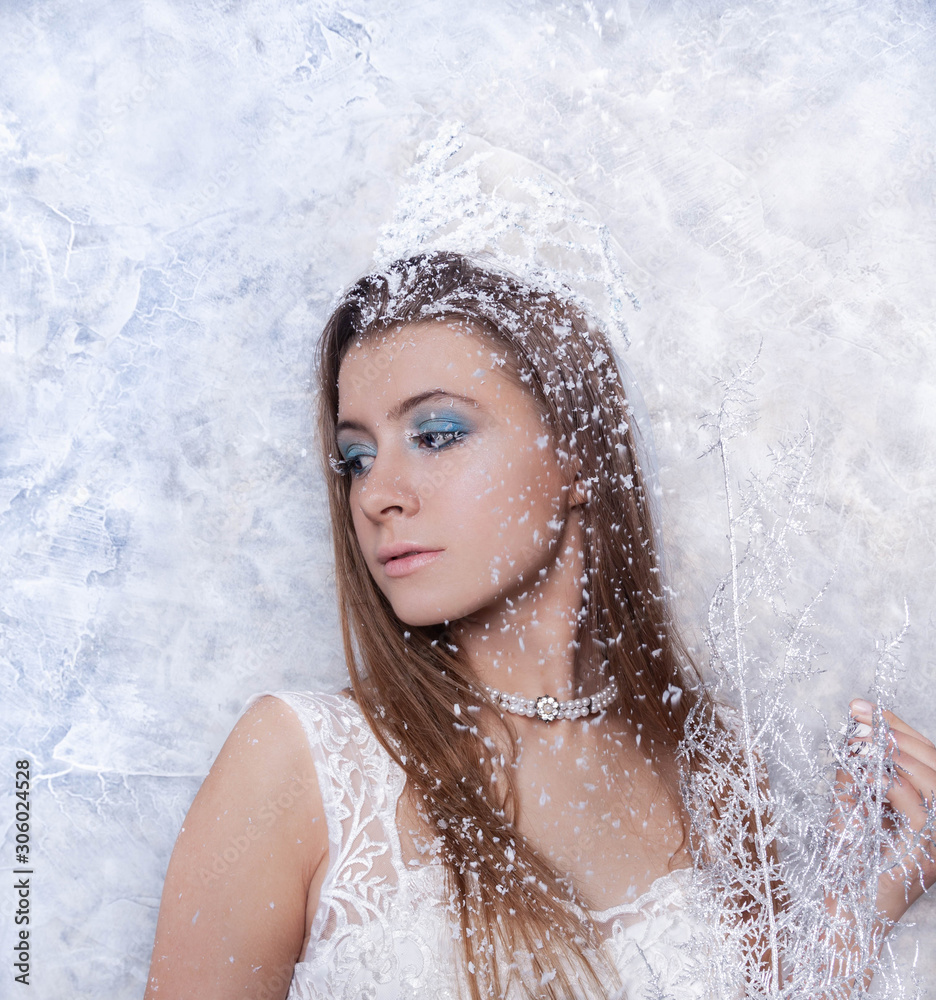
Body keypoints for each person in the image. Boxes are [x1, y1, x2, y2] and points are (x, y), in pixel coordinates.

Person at [144, 251, 935, 999]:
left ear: (577, 457)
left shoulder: (718, 769)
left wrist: (853, 916)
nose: (377, 492)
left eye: (437, 435)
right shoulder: (299, 764)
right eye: (356, 456)